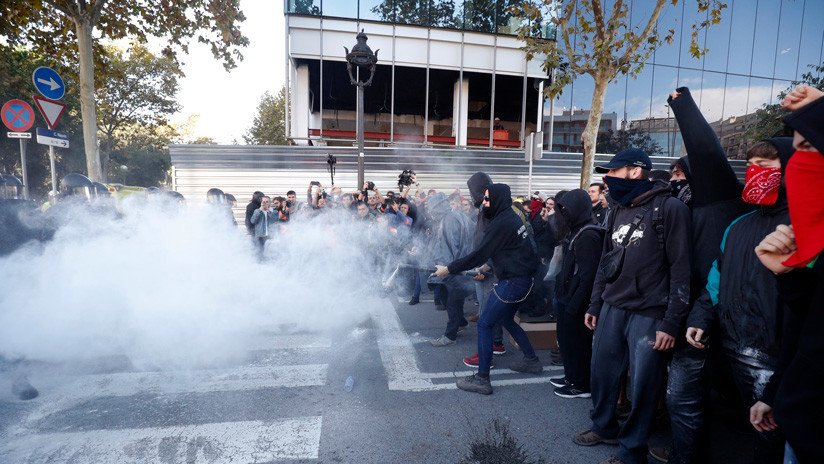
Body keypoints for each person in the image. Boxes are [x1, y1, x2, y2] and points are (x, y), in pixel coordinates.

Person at [574, 148, 691, 464]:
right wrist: (596, 303)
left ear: (635, 171)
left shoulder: (670, 209)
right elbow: (604, 262)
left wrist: (671, 323)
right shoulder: (615, 209)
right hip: (612, 308)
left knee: (643, 388)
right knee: (602, 374)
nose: (607, 178)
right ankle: (604, 427)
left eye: (613, 171)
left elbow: (682, 269)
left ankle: (632, 451)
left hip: (650, 313)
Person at [659, 87, 757, 464]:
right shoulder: (688, 206)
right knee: (688, 398)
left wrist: (681, 103)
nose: (676, 179)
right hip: (692, 320)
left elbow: (706, 150)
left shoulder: (720, 196)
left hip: (723, 323)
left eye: (682, 172)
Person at [683, 138, 793, 464]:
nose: (756, 173)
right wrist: (699, 319)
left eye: (768, 167)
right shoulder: (737, 226)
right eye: (752, 166)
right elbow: (716, 282)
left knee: (773, 442)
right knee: (742, 434)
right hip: (732, 350)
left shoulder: (806, 226)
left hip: (778, 363)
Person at [751, 84, 824, 464]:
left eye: (809, 147)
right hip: (802, 429)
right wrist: (791, 278)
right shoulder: (801, 239)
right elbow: (810, 333)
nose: (800, 164)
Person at [434, 183, 542, 395]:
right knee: (505, 319)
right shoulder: (510, 217)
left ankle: (483, 378)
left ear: (498, 200)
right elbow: (511, 250)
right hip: (521, 278)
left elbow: (479, 253)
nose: (483, 203)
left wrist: (448, 269)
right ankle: (532, 360)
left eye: (487, 199)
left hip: (513, 282)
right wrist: (487, 266)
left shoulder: (501, 223)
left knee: (484, 324)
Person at [550, 189, 605, 399]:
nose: (563, 214)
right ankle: (571, 377)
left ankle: (581, 384)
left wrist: (574, 305)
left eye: (566, 210)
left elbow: (588, 276)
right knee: (567, 342)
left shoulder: (588, 234)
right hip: (569, 298)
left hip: (577, 302)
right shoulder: (577, 230)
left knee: (578, 344)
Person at [428, 192, 474, 347]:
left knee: (452, 301)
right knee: (452, 299)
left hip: (455, 267)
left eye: (433, 209)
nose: (431, 212)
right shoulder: (456, 216)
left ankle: (450, 335)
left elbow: (452, 246)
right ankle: (461, 323)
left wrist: (448, 268)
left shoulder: (449, 220)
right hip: (460, 265)